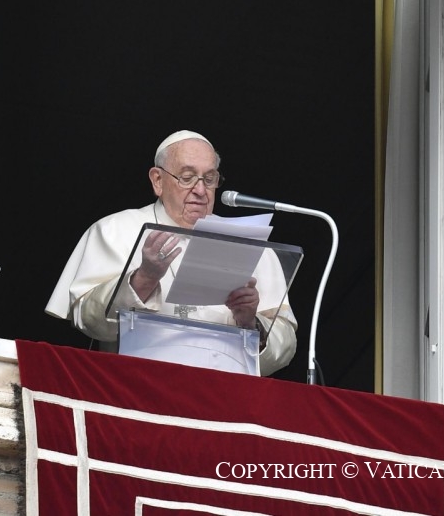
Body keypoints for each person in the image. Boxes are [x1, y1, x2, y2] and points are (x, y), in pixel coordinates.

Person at [45, 130, 297, 376]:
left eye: (209, 179)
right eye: (187, 177)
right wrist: (144, 279)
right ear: (157, 180)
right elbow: (89, 321)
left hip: (225, 393)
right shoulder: (115, 230)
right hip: (137, 387)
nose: (200, 190)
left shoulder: (249, 242)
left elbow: (285, 345)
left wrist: (251, 324)